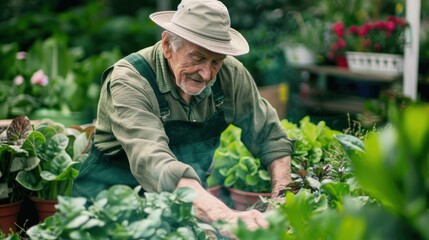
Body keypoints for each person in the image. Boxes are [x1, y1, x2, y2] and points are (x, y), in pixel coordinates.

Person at [72, 0, 293, 235]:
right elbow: (153, 161)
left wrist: (281, 200)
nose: (206, 73)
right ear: (168, 45)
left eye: (215, 62)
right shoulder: (130, 81)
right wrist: (225, 216)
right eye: (197, 58)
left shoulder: (231, 74)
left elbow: (270, 136)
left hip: (185, 206)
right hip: (108, 207)